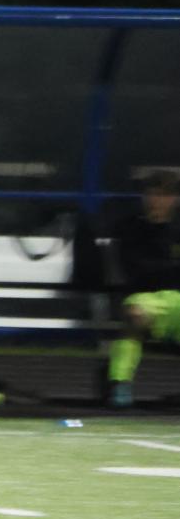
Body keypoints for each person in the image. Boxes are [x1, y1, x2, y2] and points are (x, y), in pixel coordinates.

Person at [108, 170, 180, 408]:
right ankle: (120, 383)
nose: (157, 201)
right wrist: (170, 269)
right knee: (135, 316)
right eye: (152, 194)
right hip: (146, 296)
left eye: (164, 195)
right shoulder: (129, 228)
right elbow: (135, 271)